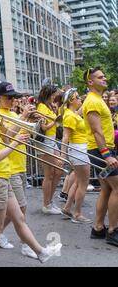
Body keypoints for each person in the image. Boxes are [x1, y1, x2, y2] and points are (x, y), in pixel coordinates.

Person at [0, 93, 62, 266]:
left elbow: (5, 137)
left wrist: (18, 130)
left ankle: (41, 252)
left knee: (18, 217)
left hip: (3, 177)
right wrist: (15, 142)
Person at [0, 81, 39, 259]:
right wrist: (22, 118)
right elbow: (4, 138)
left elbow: (30, 135)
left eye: (14, 97)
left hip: (20, 165)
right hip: (8, 167)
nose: (13, 100)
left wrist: (30, 121)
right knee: (21, 208)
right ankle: (26, 244)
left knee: (14, 210)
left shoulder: (13, 112)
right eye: (9, 98)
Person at [82, 68, 118, 246]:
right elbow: (96, 130)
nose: (104, 79)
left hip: (102, 150)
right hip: (100, 151)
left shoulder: (97, 100)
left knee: (107, 189)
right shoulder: (93, 101)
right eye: (100, 77)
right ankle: (113, 230)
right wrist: (107, 155)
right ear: (90, 82)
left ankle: (98, 228)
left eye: (104, 76)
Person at [59, 89, 92, 224]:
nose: (80, 100)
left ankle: (67, 208)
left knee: (78, 181)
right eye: (78, 98)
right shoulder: (70, 116)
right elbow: (65, 137)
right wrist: (62, 156)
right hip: (79, 150)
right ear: (72, 101)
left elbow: (78, 113)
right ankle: (77, 213)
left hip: (79, 150)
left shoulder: (72, 113)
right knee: (83, 184)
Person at [36, 85, 63, 215]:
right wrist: (56, 121)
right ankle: (46, 204)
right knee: (49, 174)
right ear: (48, 94)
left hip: (51, 140)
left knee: (58, 169)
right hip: (46, 140)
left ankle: (50, 200)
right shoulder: (41, 107)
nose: (54, 96)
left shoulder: (48, 106)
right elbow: (44, 127)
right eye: (53, 94)